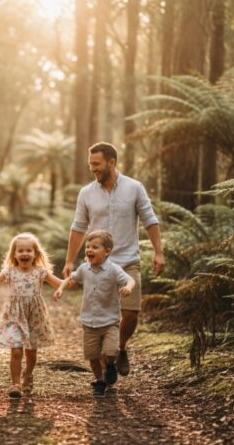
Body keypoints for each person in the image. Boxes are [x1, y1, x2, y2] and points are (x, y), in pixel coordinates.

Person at [63, 142, 165, 378]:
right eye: (90, 165)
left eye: (96, 164)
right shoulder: (86, 193)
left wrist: (159, 252)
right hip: (97, 266)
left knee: (131, 312)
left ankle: (120, 348)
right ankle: (107, 361)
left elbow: (150, 219)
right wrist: (70, 260)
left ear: (111, 162)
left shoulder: (134, 188)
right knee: (100, 315)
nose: (93, 169)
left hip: (128, 260)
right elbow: (78, 228)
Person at [0, 232, 65, 398]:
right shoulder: (9, 272)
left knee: (31, 352)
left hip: (35, 316)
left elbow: (59, 284)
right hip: (14, 316)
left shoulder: (40, 272)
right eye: (20, 251)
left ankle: (28, 374)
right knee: (16, 351)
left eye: (28, 251)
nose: (25, 254)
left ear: (35, 254)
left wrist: (74, 279)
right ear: (14, 255)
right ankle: (16, 384)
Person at [55, 230, 134, 397]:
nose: (89, 250)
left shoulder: (113, 269)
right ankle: (100, 380)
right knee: (92, 355)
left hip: (110, 321)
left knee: (111, 351)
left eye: (95, 247)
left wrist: (128, 287)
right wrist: (61, 289)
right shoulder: (84, 269)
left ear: (107, 251)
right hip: (89, 322)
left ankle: (111, 365)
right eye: (87, 247)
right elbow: (70, 278)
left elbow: (130, 279)